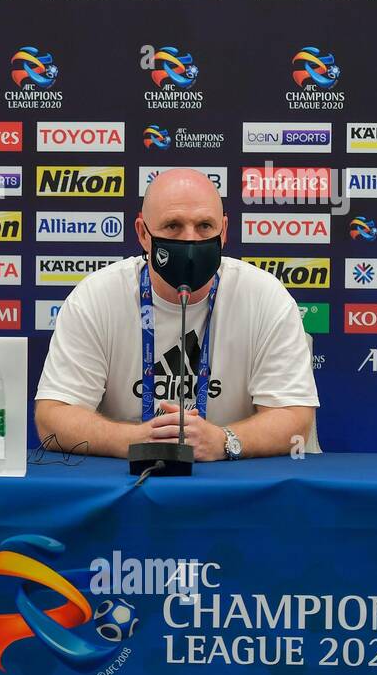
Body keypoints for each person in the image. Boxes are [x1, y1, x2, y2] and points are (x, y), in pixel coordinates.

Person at [35, 168, 317, 461]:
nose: (190, 241)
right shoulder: (96, 296)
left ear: (224, 232)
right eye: (173, 226)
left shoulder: (265, 296)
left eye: (205, 226)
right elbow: (53, 417)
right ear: (144, 234)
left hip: (233, 486)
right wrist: (140, 440)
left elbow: (295, 418)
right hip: (130, 484)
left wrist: (224, 440)